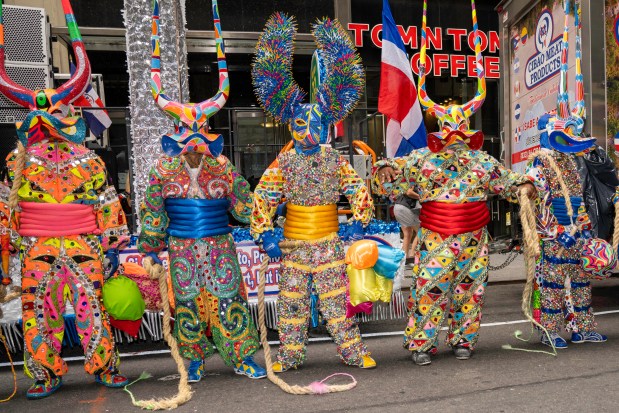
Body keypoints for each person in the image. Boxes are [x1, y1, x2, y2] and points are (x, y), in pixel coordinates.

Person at [373, 0, 536, 366]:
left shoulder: (481, 161)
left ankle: (464, 340)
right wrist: (383, 169)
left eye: (461, 124)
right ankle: (421, 344)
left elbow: (509, 182)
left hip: (474, 238)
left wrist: (526, 186)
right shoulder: (424, 159)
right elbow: (391, 175)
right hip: (436, 238)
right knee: (430, 290)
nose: (455, 131)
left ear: (468, 127)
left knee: (470, 290)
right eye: (449, 125)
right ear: (440, 129)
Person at [0, 0, 130, 398]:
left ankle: (104, 366)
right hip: (36, 246)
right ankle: (46, 372)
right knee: (39, 310)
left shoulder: (88, 159)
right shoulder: (16, 160)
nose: (50, 120)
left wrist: (113, 243)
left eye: (57, 110)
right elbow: (7, 206)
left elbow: (106, 200)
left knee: (93, 306)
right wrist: (6, 249)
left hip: (83, 243)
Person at [137, 0, 265, 382]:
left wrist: (264, 229)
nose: (193, 145)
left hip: (220, 242)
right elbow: (153, 212)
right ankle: (193, 360)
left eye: (199, 137)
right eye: (186, 137)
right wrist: (149, 249)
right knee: (188, 302)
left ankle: (241, 356)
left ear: (207, 135)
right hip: (180, 246)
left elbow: (245, 203)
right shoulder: (162, 168)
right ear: (177, 135)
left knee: (230, 298)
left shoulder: (222, 166)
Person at [250, 13, 376, 372]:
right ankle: (289, 357)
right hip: (293, 245)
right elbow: (262, 198)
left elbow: (357, 189)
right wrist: (266, 235)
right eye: (302, 124)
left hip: (329, 244)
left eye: (315, 124)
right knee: (291, 303)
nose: (308, 131)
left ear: (325, 126)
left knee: (337, 302)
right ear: (292, 124)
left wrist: (358, 223)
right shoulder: (284, 163)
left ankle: (352, 353)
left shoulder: (335, 161)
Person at [525, 0, 609, 348]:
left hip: (578, 228)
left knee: (581, 282)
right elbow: (533, 199)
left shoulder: (576, 161)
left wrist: (586, 228)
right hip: (555, 234)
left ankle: (582, 326)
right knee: (554, 285)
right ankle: (551, 330)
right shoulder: (541, 161)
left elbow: (589, 191)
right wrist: (556, 231)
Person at [393, 188, 421, 262]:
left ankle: (405, 257)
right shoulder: (415, 182)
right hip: (405, 208)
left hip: (397, 207)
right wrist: (419, 196)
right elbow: (409, 192)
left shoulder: (405, 182)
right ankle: (412, 254)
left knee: (407, 233)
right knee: (420, 231)